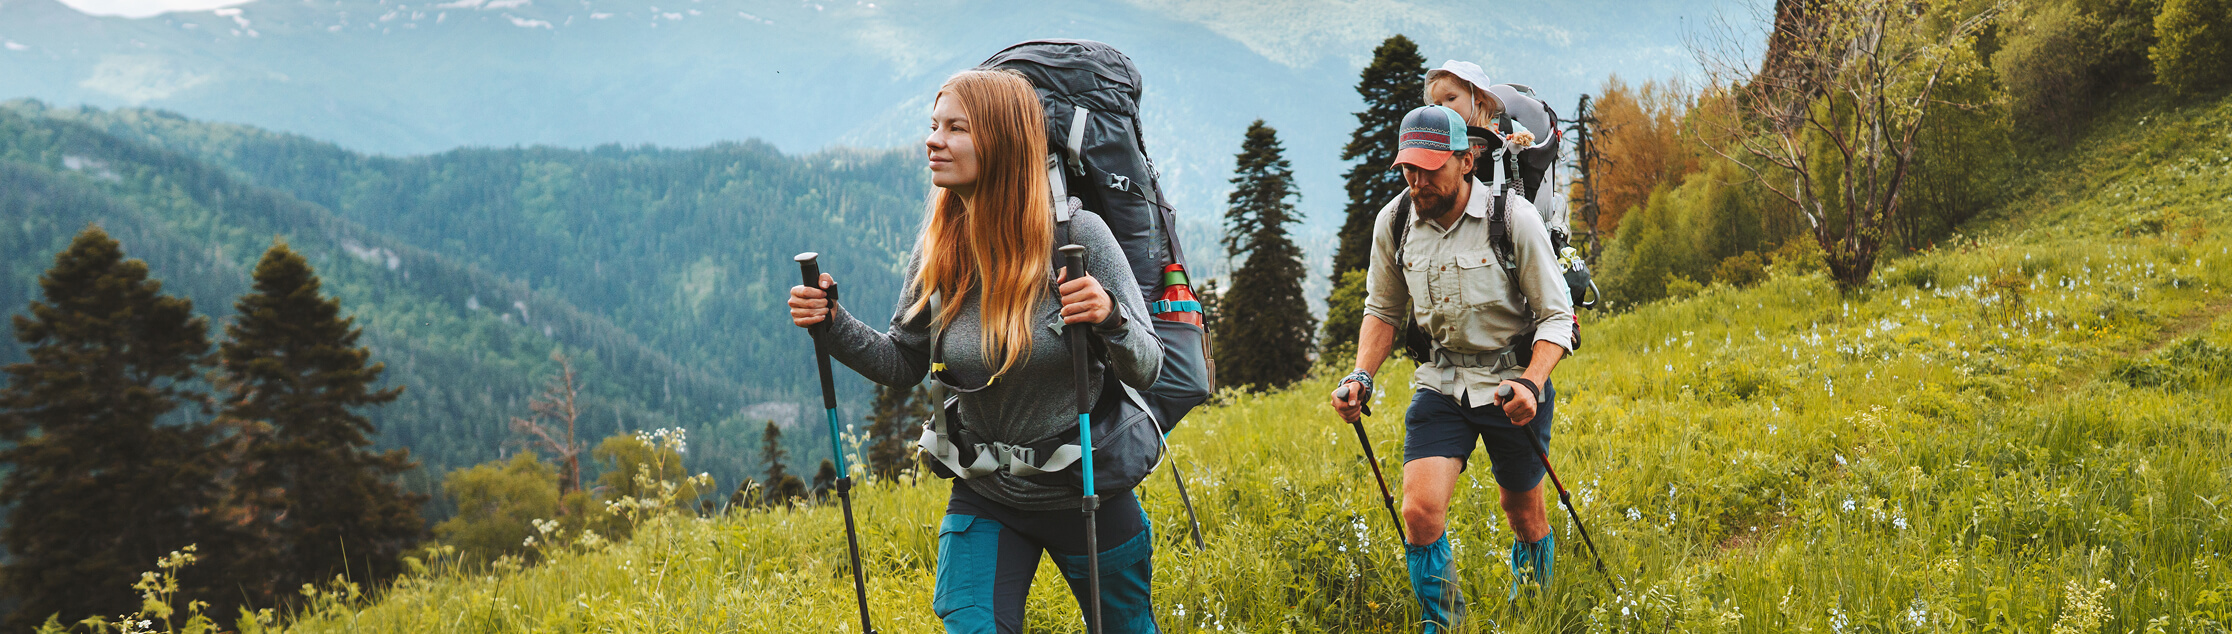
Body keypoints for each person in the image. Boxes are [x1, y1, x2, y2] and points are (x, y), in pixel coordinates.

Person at [787, 68, 1163, 634]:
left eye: (955, 128)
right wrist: (833, 323)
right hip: (986, 492)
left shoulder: (1077, 240)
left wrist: (1110, 317)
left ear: (1002, 142)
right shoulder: (940, 248)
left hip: (1087, 488)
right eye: (933, 125)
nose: (933, 140)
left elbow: (1149, 366)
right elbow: (903, 362)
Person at [1328, 103, 1576, 630]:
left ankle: (1533, 613)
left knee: (1523, 513)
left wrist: (1532, 382)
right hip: (1441, 383)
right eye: (1408, 168)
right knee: (1419, 512)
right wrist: (1361, 376)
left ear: (1467, 160)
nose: (1417, 180)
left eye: (1429, 167)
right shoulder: (1394, 223)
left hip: (1512, 386)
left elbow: (1558, 317)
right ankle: (1443, 625)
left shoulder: (1513, 219)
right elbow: (1383, 309)